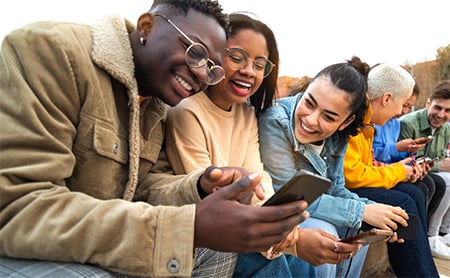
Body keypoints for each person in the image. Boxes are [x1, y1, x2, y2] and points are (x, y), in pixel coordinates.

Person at [0, 1, 309, 277]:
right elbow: (18, 205)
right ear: (147, 26)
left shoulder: (157, 102)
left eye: (212, 69)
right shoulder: (54, 51)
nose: (202, 75)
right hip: (22, 241)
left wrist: (201, 186)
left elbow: (144, 186)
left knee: (215, 253)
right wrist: (186, 228)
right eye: (196, 52)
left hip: (95, 233)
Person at [165, 14, 362, 277]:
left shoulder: (246, 114)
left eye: (259, 64)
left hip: (246, 222)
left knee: (306, 262)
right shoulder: (187, 112)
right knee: (275, 263)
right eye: (236, 57)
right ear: (214, 54)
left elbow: (259, 179)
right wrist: (292, 239)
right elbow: (211, 198)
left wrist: (286, 231)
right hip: (204, 233)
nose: (249, 71)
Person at [234, 56, 408, 278]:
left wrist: (379, 214)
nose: (311, 120)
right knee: (327, 231)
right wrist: (361, 211)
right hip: (275, 213)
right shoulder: (276, 121)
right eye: (309, 103)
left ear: (345, 122)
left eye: (329, 116)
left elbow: (336, 188)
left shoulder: (340, 135)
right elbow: (285, 195)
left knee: (361, 227)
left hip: (306, 207)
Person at [343, 63, 440, 277]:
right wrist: (398, 172)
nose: (401, 112)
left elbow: (366, 165)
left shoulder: (367, 121)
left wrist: (400, 168)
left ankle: (422, 269)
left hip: (354, 184)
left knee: (414, 192)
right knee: (403, 203)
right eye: (403, 104)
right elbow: (351, 175)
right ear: (386, 98)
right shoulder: (356, 119)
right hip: (342, 191)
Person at [373, 83, 446, 222]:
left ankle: (429, 233)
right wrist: (397, 148)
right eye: (404, 105)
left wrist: (412, 157)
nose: (405, 111)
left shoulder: (395, 123)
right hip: (383, 172)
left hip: (392, 169)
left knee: (433, 183)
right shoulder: (378, 122)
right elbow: (373, 156)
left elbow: (396, 157)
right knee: (417, 192)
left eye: (409, 106)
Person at [399, 80, 450, 260]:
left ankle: (444, 232)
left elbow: (440, 155)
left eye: (447, 111)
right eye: (438, 108)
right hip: (407, 172)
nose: (441, 114)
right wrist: (440, 165)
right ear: (428, 103)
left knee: (441, 181)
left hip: (425, 173)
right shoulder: (408, 123)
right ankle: (430, 236)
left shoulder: (445, 128)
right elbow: (403, 157)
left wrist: (441, 163)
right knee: (441, 182)